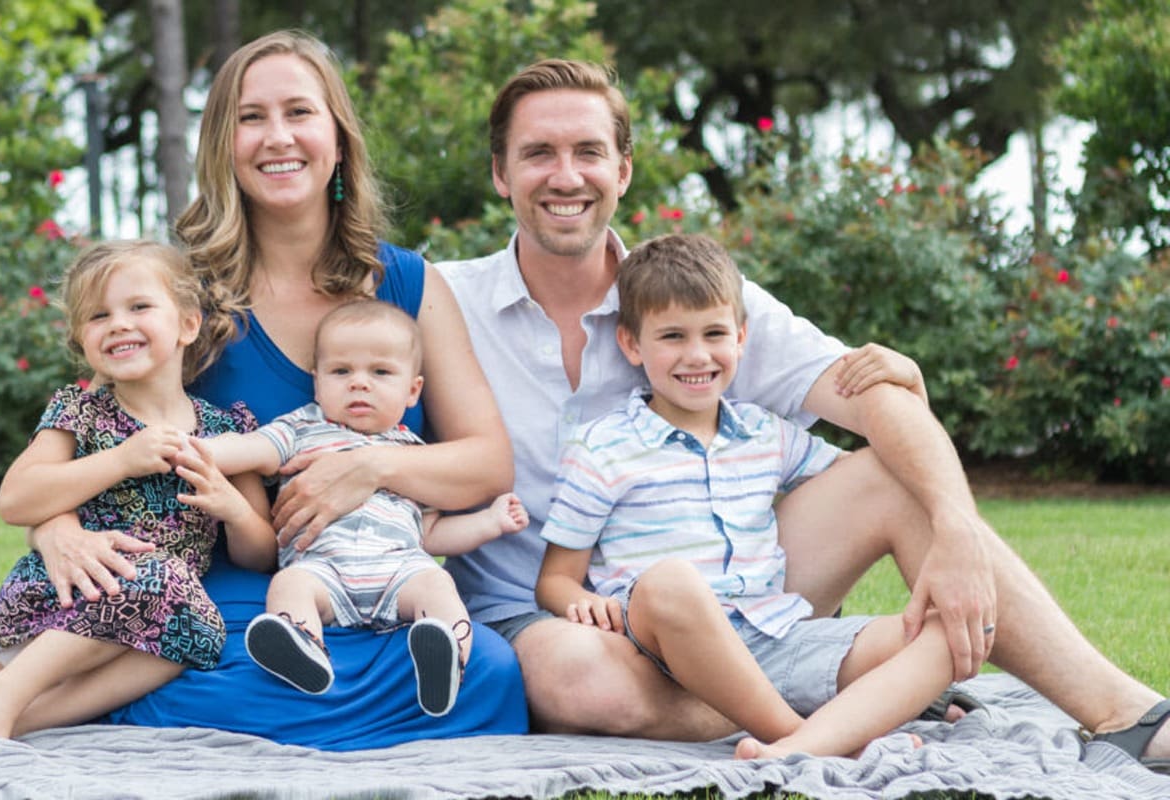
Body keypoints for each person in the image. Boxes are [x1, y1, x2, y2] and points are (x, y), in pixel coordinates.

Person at [437, 57, 1170, 772]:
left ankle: (1124, 713)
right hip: (553, 620)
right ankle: (842, 709)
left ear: (623, 170)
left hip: (736, 599)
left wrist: (955, 528)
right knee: (579, 683)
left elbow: (875, 400)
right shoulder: (444, 302)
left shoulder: (691, 300)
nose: (566, 176)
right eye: (539, 154)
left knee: (894, 477)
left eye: (588, 152)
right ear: (502, 173)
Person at [0, 30, 528, 748]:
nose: (277, 137)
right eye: (251, 118)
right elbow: (86, 435)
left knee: (491, 672)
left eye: (299, 113)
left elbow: (486, 464)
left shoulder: (406, 283)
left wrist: (368, 466)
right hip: (228, 588)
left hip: (378, 580)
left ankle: (13, 700)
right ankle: (27, 693)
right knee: (210, 648)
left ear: (339, 140)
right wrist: (55, 530)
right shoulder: (176, 294)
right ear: (223, 145)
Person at [537, 233, 952, 759]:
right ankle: (801, 738)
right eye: (672, 337)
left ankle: (818, 730)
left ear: (740, 337)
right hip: (664, 647)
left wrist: (913, 387)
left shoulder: (765, 434)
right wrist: (583, 602)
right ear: (632, 345)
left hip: (774, 635)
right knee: (671, 581)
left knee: (947, 634)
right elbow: (555, 579)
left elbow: (880, 480)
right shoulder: (602, 447)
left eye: (714, 333)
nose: (697, 355)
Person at [0, 239, 278, 738]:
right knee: (167, 581)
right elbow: (16, 500)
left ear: (188, 324)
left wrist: (232, 509)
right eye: (98, 315)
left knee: (203, 632)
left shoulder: (225, 431)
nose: (119, 324)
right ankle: (3, 695)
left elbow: (261, 553)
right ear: (81, 338)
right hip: (61, 598)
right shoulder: (79, 413)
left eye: (140, 306)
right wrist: (121, 460)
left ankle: (8, 712)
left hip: (158, 620)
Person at [191, 299, 527, 716]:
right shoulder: (301, 428)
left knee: (437, 586)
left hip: (399, 571)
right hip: (322, 572)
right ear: (317, 383)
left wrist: (488, 522)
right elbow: (251, 448)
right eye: (341, 371)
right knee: (288, 586)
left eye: (380, 372)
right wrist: (192, 450)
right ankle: (303, 648)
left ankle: (444, 658)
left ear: (412, 391)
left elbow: (431, 535)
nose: (359, 384)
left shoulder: (413, 455)